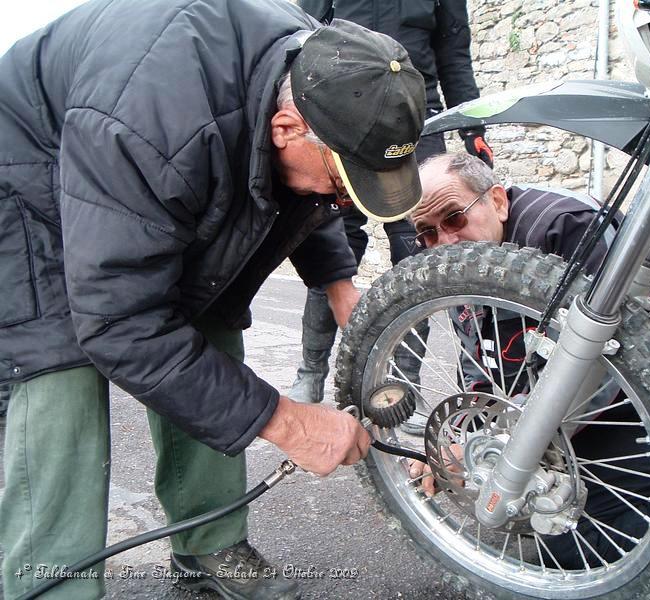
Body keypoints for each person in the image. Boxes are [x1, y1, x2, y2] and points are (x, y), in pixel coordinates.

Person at [0, 1, 427, 598]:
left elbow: (312, 191)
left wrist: (338, 285)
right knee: (61, 371)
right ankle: (52, 580)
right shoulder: (148, 121)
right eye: (341, 180)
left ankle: (210, 546)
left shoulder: (328, 74)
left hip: (158, 149)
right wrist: (287, 423)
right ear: (285, 129)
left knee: (211, 320)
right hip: (28, 173)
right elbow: (120, 325)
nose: (344, 197)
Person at [407, 152, 650, 568]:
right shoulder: (461, 268)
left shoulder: (564, 227)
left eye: (453, 219)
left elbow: (614, 355)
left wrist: (523, 444)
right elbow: (483, 374)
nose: (444, 242)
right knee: (540, 502)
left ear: (497, 201)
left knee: (578, 556)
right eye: (427, 233)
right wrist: (461, 441)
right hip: (576, 403)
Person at [288, 0, 494, 408]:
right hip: (348, 118)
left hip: (417, 121)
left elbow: (453, 54)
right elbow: (306, 34)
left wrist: (473, 128)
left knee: (417, 256)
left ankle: (405, 383)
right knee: (333, 241)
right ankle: (311, 371)